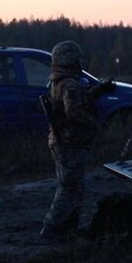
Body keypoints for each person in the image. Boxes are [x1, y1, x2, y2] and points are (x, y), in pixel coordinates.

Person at [40, 41, 102, 241]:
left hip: (64, 141)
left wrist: (95, 94)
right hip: (70, 142)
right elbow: (73, 111)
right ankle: (52, 228)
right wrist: (94, 124)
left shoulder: (58, 82)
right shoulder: (70, 84)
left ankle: (68, 228)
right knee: (69, 188)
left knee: (74, 187)